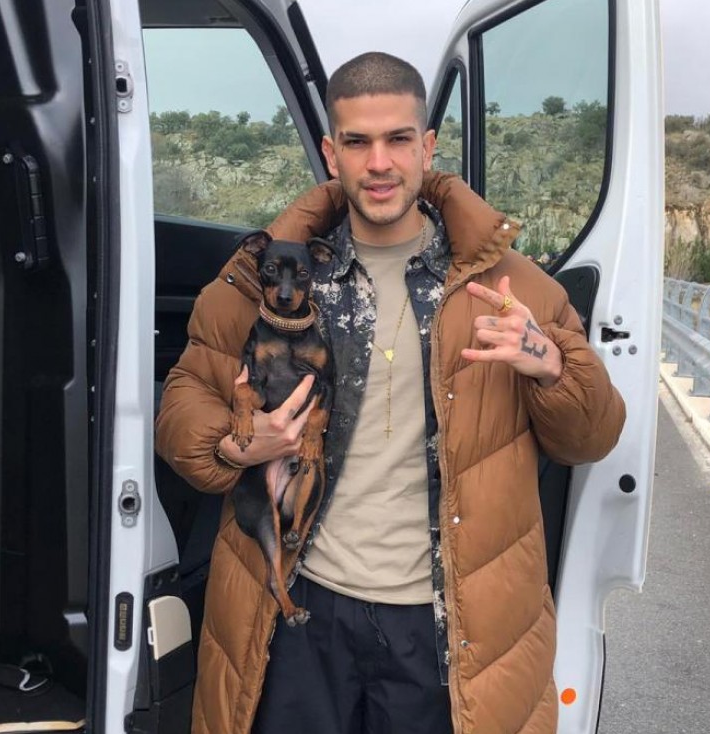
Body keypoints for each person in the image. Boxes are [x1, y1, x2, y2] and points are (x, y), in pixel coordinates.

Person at [155, 51, 626, 734]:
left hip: (445, 629)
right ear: (331, 154)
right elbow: (182, 404)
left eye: (398, 139)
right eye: (357, 142)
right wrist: (236, 445)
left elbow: (593, 436)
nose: (379, 163)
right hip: (294, 613)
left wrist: (551, 367)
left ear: (427, 147)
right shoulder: (266, 278)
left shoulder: (514, 289)